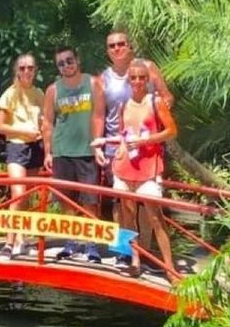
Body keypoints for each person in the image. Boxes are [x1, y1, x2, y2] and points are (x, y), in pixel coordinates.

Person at [93, 59, 178, 278]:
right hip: (125, 166)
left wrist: (144, 141)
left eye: (142, 77)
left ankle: (170, 269)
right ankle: (135, 260)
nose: (138, 81)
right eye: (133, 77)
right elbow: (123, 136)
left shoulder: (155, 102)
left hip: (149, 167)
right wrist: (104, 142)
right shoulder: (124, 106)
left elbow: (171, 131)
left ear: (148, 80)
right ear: (128, 80)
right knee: (127, 215)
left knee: (155, 217)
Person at [99, 29, 173, 247]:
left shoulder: (147, 67)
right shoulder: (105, 77)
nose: (117, 48)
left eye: (121, 43)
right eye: (112, 46)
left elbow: (167, 95)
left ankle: (145, 251)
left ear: (130, 45)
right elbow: (99, 114)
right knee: (121, 203)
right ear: (107, 51)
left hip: (148, 147)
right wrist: (98, 144)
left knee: (147, 205)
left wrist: (162, 107)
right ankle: (124, 251)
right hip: (118, 146)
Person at [42, 45, 106, 262]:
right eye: (61, 63)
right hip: (62, 152)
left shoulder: (93, 83)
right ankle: (71, 242)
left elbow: (98, 116)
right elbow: (48, 123)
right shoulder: (53, 90)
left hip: (86, 151)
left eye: (69, 61)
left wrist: (97, 145)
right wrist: (48, 152)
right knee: (66, 200)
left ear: (77, 60)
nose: (66, 66)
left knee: (90, 201)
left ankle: (91, 244)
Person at [0, 53, 45, 260]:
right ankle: (9, 242)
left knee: (28, 195)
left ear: (35, 70)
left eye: (30, 68)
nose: (26, 71)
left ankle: (23, 239)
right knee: (18, 193)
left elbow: (45, 120)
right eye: (22, 68)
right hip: (17, 147)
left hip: (36, 147)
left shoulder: (39, 93)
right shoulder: (10, 94)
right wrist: (25, 132)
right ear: (17, 70)